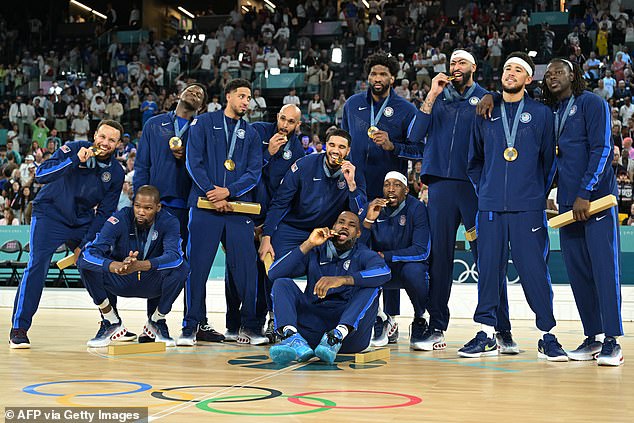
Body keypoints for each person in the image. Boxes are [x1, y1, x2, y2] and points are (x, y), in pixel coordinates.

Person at [463, 52, 566, 361]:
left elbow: (549, 161)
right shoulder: (485, 113)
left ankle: (547, 335)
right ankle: (486, 332)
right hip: (491, 207)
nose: (510, 73)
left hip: (528, 208)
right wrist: (486, 191)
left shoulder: (541, 114)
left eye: (518, 70)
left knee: (534, 270)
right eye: (507, 68)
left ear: (528, 78)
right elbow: (474, 161)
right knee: (488, 271)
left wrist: (535, 193)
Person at [417, 49, 511, 351]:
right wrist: (432, 94)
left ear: (474, 66)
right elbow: (416, 131)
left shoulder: (486, 97)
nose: (455, 67)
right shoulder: (439, 97)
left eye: (461, 63)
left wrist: (494, 96)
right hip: (441, 187)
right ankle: (436, 326)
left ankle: (501, 329)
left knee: (488, 257)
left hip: (474, 187)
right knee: (439, 259)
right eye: (452, 62)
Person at [9, 120, 125, 348]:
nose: (105, 143)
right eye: (102, 137)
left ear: (119, 144)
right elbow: (41, 175)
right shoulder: (73, 148)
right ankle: (19, 328)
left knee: (99, 262)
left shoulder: (117, 172)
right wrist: (75, 161)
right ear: (94, 135)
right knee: (37, 265)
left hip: (82, 220)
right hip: (49, 214)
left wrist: (87, 242)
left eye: (112, 140)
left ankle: (111, 321)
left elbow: (105, 213)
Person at [542, 58, 624, 366]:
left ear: (573, 75)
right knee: (578, 273)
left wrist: (585, 192)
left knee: (605, 269)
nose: (553, 77)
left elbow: (602, 148)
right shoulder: (551, 112)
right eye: (548, 74)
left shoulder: (592, 102)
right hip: (566, 204)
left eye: (559, 71)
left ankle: (613, 341)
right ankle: (593, 336)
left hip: (596, 200)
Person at [180, 78, 264, 346]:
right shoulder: (203, 123)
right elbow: (194, 162)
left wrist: (228, 192)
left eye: (249, 98)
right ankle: (190, 326)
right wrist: (210, 192)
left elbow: (254, 173)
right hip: (205, 207)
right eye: (241, 96)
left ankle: (249, 326)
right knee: (197, 268)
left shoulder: (251, 134)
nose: (245, 102)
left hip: (238, 209)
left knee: (246, 270)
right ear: (228, 96)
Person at [133, 83, 207, 341]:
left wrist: (189, 156)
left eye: (201, 94)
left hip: (192, 206)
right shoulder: (154, 124)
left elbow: (207, 167)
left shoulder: (202, 129)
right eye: (191, 89)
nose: (195, 93)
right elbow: (142, 163)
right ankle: (154, 324)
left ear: (203, 106)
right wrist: (140, 202)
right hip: (160, 204)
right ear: (179, 95)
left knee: (192, 266)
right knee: (156, 265)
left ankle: (195, 323)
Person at [267, 211, 391, 364]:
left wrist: (342, 280)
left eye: (351, 225)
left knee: (372, 287)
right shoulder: (315, 251)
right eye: (341, 222)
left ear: (358, 234)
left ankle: (336, 337)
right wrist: (309, 243)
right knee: (282, 284)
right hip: (311, 333)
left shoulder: (364, 254)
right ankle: (291, 338)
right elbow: (273, 274)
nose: (345, 226)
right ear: (333, 227)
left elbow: (385, 273)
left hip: (349, 338)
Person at [78, 185, 188, 347]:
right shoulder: (120, 218)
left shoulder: (169, 221)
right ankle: (110, 320)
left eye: (148, 208)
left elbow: (175, 257)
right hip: (121, 276)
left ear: (158, 207)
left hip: (151, 280)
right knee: (86, 265)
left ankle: (157, 320)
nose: (141, 212)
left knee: (183, 267)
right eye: (137, 206)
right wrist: (113, 265)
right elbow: (88, 254)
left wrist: (141, 265)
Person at [259, 128, 366, 274]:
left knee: (329, 274)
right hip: (292, 229)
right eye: (332, 145)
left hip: (327, 233)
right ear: (325, 146)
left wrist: (351, 185)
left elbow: (358, 214)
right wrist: (267, 236)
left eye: (341, 147)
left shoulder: (354, 174)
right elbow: (279, 202)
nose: (335, 150)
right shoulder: (304, 165)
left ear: (348, 151)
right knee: (274, 270)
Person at [361, 171, 430, 349]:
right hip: (381, 267)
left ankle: (420, 319)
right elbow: (359, 247)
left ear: (406, 190)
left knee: (414, 271)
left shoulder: (416, 208)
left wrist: (387, 255)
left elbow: (422, 250)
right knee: (363, 268)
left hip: (406, 267)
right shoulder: (374, 207)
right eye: (387, 185)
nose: (391, 189)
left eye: (397, 185)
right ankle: (380, 319)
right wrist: (368, 219)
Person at [341, 52, 424, 200]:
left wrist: (393, 146)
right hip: (355, 186)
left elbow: (419, 150)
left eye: (383, 74)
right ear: (368, 77)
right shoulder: (352, 104)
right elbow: (343, 142)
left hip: (390, 191)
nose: (377, 78)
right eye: (373, 74)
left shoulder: (407, 110)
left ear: (392, 78)